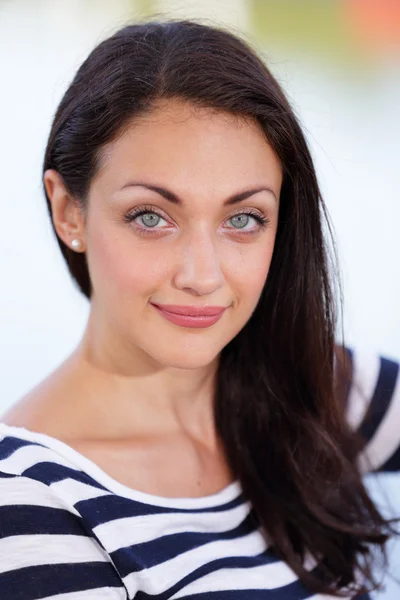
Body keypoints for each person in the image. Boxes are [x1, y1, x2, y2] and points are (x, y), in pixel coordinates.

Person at [0, 18, 398, 600]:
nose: (202, 275)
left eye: (243, 219)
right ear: (69, 212)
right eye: (151, 217)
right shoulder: (28, 504)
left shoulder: (312, 390)